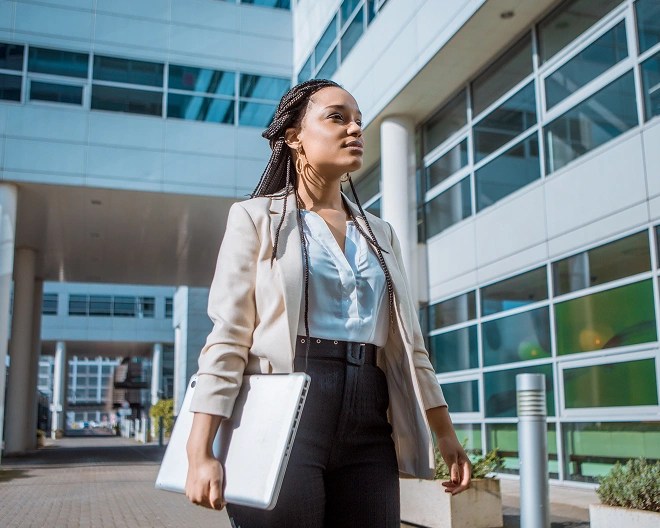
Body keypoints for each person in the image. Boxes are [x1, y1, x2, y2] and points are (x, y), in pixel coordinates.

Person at [185, 79, 471, 527]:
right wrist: (199, 449)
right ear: (294, 136)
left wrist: (444, 433)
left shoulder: (381, 233)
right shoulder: (256, 219)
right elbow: (229, 335)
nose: (355, 129)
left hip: (369, 414)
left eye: (359, 120)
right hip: (285, 408)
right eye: (337, 117)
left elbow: (411, 344)